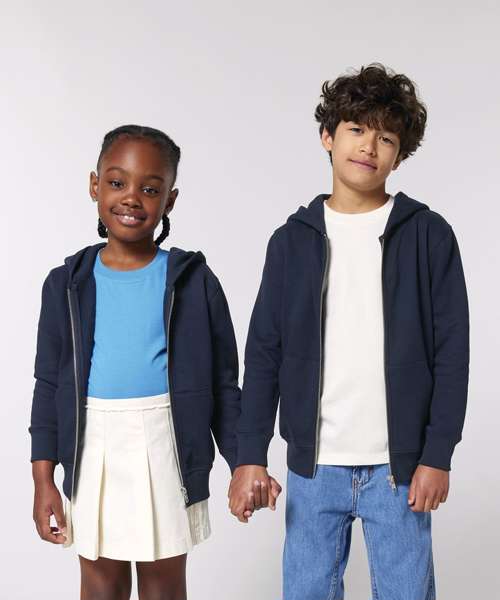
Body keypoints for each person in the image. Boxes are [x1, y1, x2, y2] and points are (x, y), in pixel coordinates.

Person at [228, 63, 470, 600]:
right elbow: (264, 354)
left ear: (399, 155)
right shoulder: (291, 241)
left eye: (386, 138)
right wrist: (250, 456)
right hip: (314, 468)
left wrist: (437, 454)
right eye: (357, 129)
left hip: (400, 468)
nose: (369, 146)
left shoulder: (428, 236)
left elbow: (453, 355)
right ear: (327, 136)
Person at [29, 124, 242, 600]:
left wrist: (244, 462)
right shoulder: (65, 283)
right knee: (100, 584)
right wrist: (44, 481)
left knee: (163, 585)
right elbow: (48, 386)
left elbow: (224, 384)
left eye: (150, 189)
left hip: (165, 444)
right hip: (92, 446)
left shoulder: (194, 280)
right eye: (117, 182)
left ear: (170, 200)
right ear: (94, 186)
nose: (131, 197)